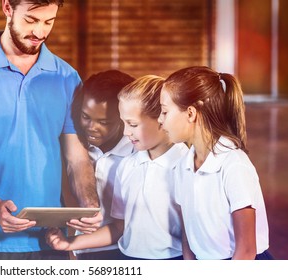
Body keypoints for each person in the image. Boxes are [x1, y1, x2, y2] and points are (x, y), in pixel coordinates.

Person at [0, 0, 101, 260]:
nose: (40, 32)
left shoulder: (67, 78)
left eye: (49, 22)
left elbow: (77, 157)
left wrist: (89, 206)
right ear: (7, 8)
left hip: (50, 239)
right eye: (31, 20)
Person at [46, 75, 188, 260]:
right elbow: (121, 227)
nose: (126, 132)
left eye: (132, 124)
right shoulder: (128, 166)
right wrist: (69, 243)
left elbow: (194, 233)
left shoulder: (187, 164)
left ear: (162, 118)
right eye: (124, 123)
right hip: (123, 258)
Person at [158, 65, 272, 260]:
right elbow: (188, 233)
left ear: (191, 113)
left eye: (165, 112)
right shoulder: (182, 166)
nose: (160, 120)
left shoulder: (234, 166)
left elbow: (246, 251)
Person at [68, 69, 135, 260]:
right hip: (83, 251)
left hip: (124, 252)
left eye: (103, 122)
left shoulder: (137, 154)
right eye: (86, 117)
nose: (91, 128)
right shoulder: (75, 148)